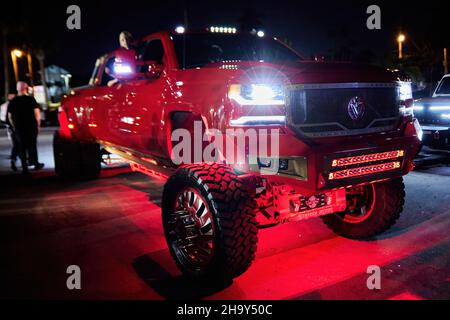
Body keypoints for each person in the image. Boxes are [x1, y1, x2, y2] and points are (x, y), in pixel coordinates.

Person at [7, 82, 44, 174]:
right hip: (31, 126)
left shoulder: (13, 101)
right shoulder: (31, 99)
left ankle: (24, 167)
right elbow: (37, 113)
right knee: (32, 145)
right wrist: (38, 124)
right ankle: (35, 164)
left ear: (17, 88)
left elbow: (9, 116)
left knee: (21, 147)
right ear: (26, 88)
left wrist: (14, 126)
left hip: (19, 128)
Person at [0, 91, 18, 171]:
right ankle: (15, 160)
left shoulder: (16, 104)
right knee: (17, 144)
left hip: (14, 127)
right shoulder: (5, 106)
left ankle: (14, 160)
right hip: (13, 127)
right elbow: (4, 117)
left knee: (17, 145)